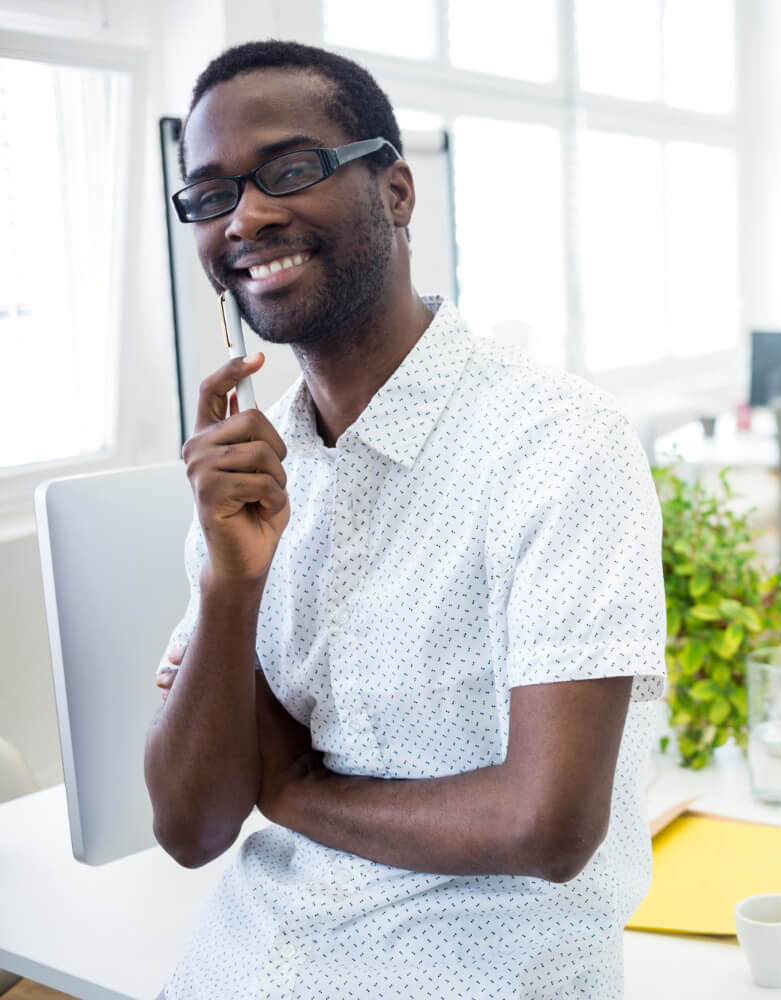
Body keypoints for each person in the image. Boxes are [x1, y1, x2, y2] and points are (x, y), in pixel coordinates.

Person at [144, 41, 665, 1000]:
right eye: (211, 195)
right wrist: (230, 586)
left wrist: (292, 786)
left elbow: (543, 827)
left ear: (394, 191)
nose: (248, 216)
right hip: (237, 966)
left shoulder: (559, 447)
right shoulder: (249, 469)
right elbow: (189, 828)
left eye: (289, 170)